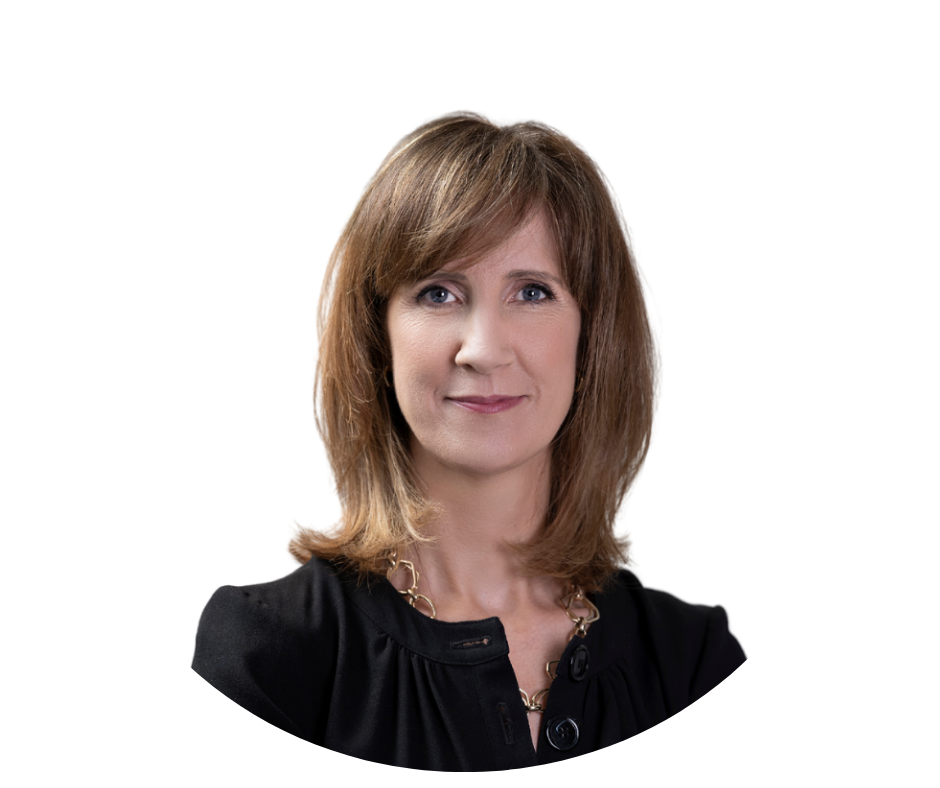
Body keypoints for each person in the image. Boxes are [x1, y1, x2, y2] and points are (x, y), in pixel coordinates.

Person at [192, 112, 745, 770]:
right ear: (379, 340)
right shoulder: (270, 655)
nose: (483, 349)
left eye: (533, 291)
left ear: (593, 338)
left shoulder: (695, 665)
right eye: (439, 292)